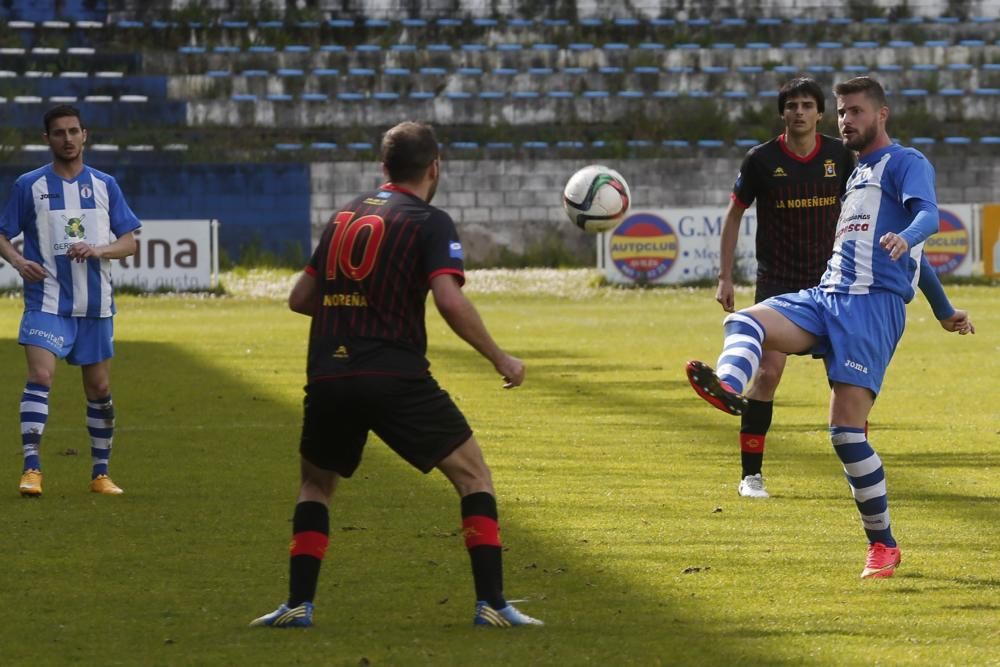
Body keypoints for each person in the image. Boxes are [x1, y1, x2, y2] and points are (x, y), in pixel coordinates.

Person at [250, 121, 543, 628]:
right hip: (393, 373)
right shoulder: (429, 221)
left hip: (328, 374)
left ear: (383, 168)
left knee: (316, 486)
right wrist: (501, 358)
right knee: (473, 475)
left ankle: (298, 605)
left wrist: (352, 307)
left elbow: (300, 298)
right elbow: (449, 299)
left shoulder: (344, 216)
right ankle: (492, 605)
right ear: (435, 167)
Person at [686, 76, 975, 579]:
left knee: (845, 434)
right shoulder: (856, 173)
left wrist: (911, 248)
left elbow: (928, 220)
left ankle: (882, 545)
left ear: (881, 114)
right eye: (842, 113)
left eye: (856, 112)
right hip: (826, 295)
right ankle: (730, 387)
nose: (846, 121)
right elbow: (916, 257)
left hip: (871, 310)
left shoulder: (907, 163)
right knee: (746, 321)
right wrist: (944, 309)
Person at [716, 77, 856, 499]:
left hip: (832, 283)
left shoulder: (839, 155)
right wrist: (725, 276)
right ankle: (751, 476)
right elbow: (733, 215)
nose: (799, 111)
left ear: (819, 112)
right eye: (792, 105)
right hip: (777, 284)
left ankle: (857, 475)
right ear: (783, 113)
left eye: (807, 105)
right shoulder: (760, 160)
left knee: (847, 379)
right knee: (769, 372)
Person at [0, 105, 141, 497]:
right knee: (40, 376)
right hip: (46, 301)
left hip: (95, 307)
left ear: (85, 135)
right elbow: (2, 233)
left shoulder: (105, 184)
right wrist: (17, 260)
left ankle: (100, 474)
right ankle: (32, 468)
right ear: (47, 139)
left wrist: (99, 250)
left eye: (73, 131)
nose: (67, 138)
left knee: (98, 389)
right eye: (59, 132)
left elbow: (130, 241)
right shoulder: (29, 185)